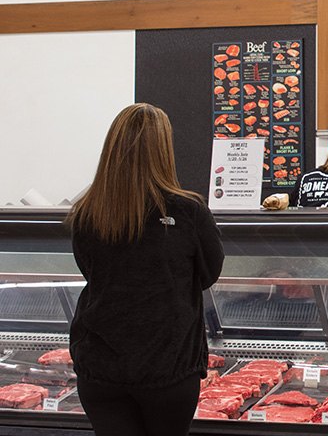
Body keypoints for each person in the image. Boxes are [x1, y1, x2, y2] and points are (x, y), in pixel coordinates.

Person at [67, 103, 224, 436]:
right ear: (164, 150)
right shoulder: (188, 210)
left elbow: (90, 271)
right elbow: (209, 275)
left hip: (100, 369)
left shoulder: (87, 212)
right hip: (168, 370)